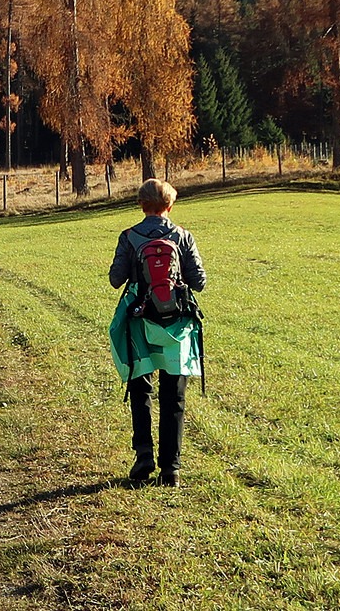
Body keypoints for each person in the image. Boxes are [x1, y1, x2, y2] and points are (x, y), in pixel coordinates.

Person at [108, 178, 206, 487]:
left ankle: (144, 456)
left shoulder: (129, 236)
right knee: (174, 394)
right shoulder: (183, 236)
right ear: (170, 205)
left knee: (141, 390)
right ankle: (171, 469)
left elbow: (115, 278)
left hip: (139, 322)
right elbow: (199, 281)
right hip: (177, 323)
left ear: (141, 205)